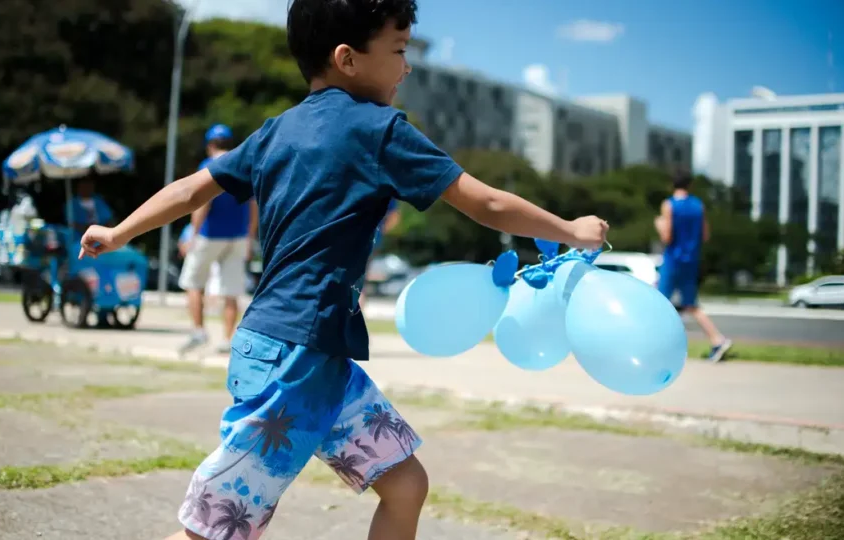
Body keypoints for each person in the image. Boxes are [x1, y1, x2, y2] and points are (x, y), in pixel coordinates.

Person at [77, 1, 608, 538]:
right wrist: (570, 227)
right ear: (347, 59)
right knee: (215, 530)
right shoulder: (379, 130)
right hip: (296, 360)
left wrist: (119, 231)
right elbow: (485, 204)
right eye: (399, 50)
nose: (408, 66)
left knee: (405, 484)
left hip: (311, 353)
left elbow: (194, 186)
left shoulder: (276, 130)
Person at [177, 124, 258, 355]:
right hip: (238, 237)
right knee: (231, 290)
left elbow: (201, 202)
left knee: (193, 283)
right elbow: (253, 206)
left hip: (209, 235)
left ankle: (199, 331)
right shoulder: (244, 167)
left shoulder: (208, 166)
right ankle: (227, 338)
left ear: (210, 145)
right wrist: (250, 236)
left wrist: (191, 235)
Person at [655, 172, 733, 363]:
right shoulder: (698, 205)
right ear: (690, 185)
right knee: (691, 305)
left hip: (673, 259)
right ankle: (717, 339)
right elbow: (705, 235)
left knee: (658, 303)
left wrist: (659, 224)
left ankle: (657, 347)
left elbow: (667, 237)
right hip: (692, 259)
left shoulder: (669, 205)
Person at [359, 198, 401, 309]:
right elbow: (394, 216)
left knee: (359, 273)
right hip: (371, 238)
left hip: (365, 237)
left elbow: (394, 216)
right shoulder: (386, 189)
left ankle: (357, 301)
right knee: (361, 273)